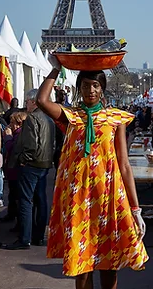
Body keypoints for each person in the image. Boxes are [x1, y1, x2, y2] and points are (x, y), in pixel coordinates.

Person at [37, 56, 147, 289]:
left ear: (102, 89)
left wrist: (135, 209)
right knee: (82, 265)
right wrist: (55, 69)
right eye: (85, 86)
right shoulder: (72, 118)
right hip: (79, 199)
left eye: (95, 85)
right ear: (79, 89)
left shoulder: (115, 119)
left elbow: (124, 165)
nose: (91, 90)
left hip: (108, 197)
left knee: (109, 262)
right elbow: (41, 100)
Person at [5, 88, 56, 250]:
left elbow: (30, 144)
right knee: (41, 200)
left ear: (33, 101)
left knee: (26, 201)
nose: (25, 104)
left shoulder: (32, 119)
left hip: (32, 163)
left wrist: (23, 160)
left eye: (27, 101)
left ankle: (25, 238)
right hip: (44, 163)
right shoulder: (49, 119)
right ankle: (38, 236)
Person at [0, 111, 27, 227]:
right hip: (11, 170)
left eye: (12, 123)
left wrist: (8, 137)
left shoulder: (19, 134)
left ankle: (18, 222)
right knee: (12, 194)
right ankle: (11, 214)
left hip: (16, 170)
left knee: (16, 196)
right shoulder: (18, 133)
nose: (10, 125)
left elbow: (12, 149)